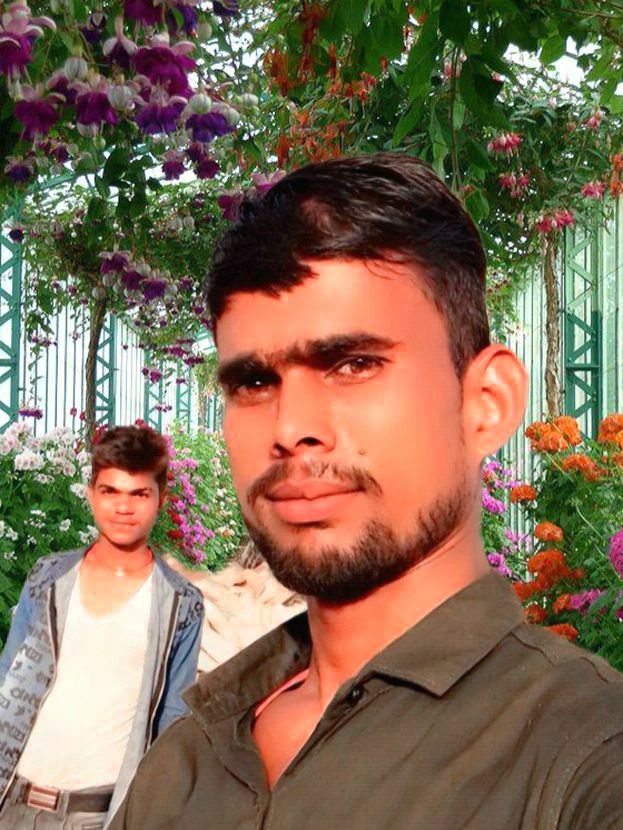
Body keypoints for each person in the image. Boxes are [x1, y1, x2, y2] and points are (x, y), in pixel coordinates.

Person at [110, 154, 623, 830]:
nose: (290, 429)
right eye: (254, 382)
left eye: (353, 364)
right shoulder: (186, 758)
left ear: (486, 404)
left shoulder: (585, 755)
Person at [0, 425, 204, 829]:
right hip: (13, 803)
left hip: (95, 815)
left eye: (138, 494)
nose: (123, 507)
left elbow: (173, 721)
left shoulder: (180, 603)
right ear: (91, 493)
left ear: (160, 499)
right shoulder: (48, 577)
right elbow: (8, 675)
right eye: (110, 491)